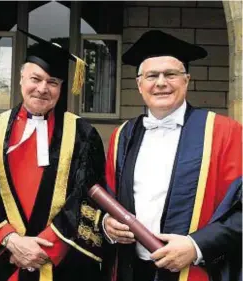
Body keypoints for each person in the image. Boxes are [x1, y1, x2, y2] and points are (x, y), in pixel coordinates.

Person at [0, 30, 108, 281]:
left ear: (62, 87)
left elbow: (87, 196)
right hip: (3, 260)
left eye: (52, 82)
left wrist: (47, 247)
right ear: (20, 79)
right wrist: (8, 240)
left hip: (61, 262)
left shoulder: (83, 134)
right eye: (35, 79)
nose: (42, 89)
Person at [103, 30, 242, 281]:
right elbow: (109, 197)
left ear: (186, 80)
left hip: (196, 270)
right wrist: (107, 224)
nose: (161, 83)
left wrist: (197, 245)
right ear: (139, 84)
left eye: (171, 74)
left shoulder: (225, 133)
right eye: (151, 76)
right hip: (132, 269)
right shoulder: (123, 135)